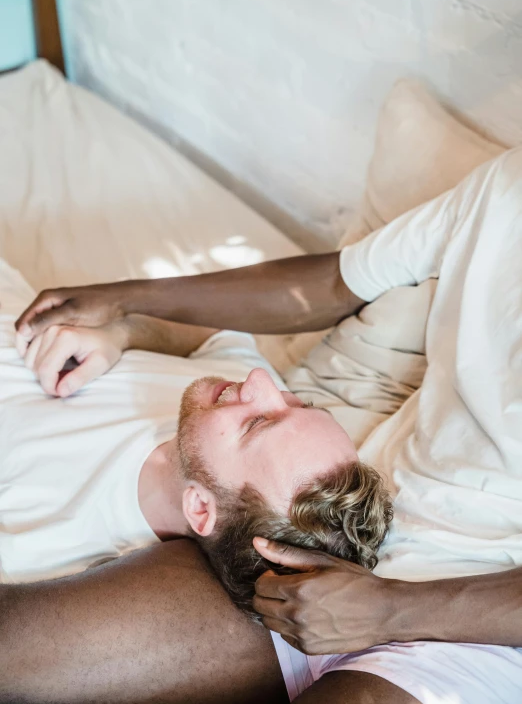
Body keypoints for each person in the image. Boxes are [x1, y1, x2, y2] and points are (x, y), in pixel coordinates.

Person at [8, 148, 522, 702]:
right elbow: (331, 282)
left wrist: (391, 607)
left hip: (478, 620)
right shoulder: (504, 187)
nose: (259, 382)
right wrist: (126, 302)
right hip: (333, 546)